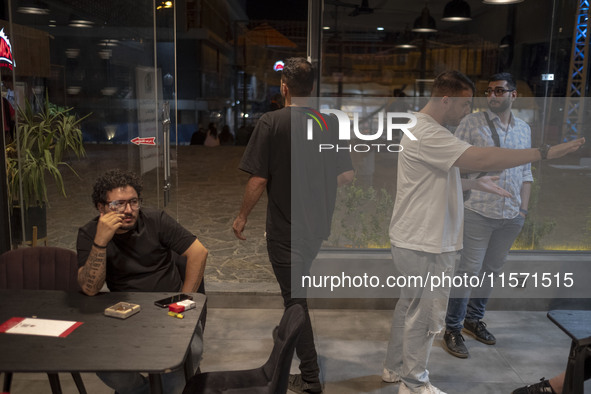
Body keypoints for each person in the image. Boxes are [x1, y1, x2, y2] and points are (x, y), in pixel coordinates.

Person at [381, 70, 585, 394]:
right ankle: (414, 384)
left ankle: (394, 369)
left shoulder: (423, 129)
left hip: (416, 238)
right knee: (425, 317)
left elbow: (431, 181)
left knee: (410, 307)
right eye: (464, 104)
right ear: (446, 99)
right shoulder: (429, 132)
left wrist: (474, 183)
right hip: (427, 241)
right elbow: (483, 156)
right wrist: (544, 153)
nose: (468, 111)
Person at [232, 57, 354, 394]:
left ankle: (312, 378)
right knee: (296, 295)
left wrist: (242, 216)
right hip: (316, 229)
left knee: (295, 302)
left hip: (285, 230)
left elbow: (258, 179)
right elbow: (346, 176)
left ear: (283, 87)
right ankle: (287, 342)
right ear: (312, 89)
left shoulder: (270, 123)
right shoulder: (329, 123)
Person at [76, 169, 208, 394]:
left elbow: (199, 252)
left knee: (189, 354)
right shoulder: (90, 233)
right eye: (119, 204)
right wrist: (100, 241)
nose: (128, 210)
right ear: (101, 208)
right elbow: (89, 288)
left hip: (170, 308)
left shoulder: (155, 220)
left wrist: (184, 300)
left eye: (133, 202)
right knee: (104, 364)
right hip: (126, 316)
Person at [443, 72, 534, 359]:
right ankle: (452, 328)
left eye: (499, 91)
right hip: (478, 210)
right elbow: (453, 162)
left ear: (513, 95)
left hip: (511, 215)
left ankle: (473, 319)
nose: (492, 96)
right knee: (467, 271)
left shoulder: (524, 129)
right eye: (489, 91)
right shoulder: (471, 123)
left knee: (490, 271)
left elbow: (526, 172)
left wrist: (523, 210)